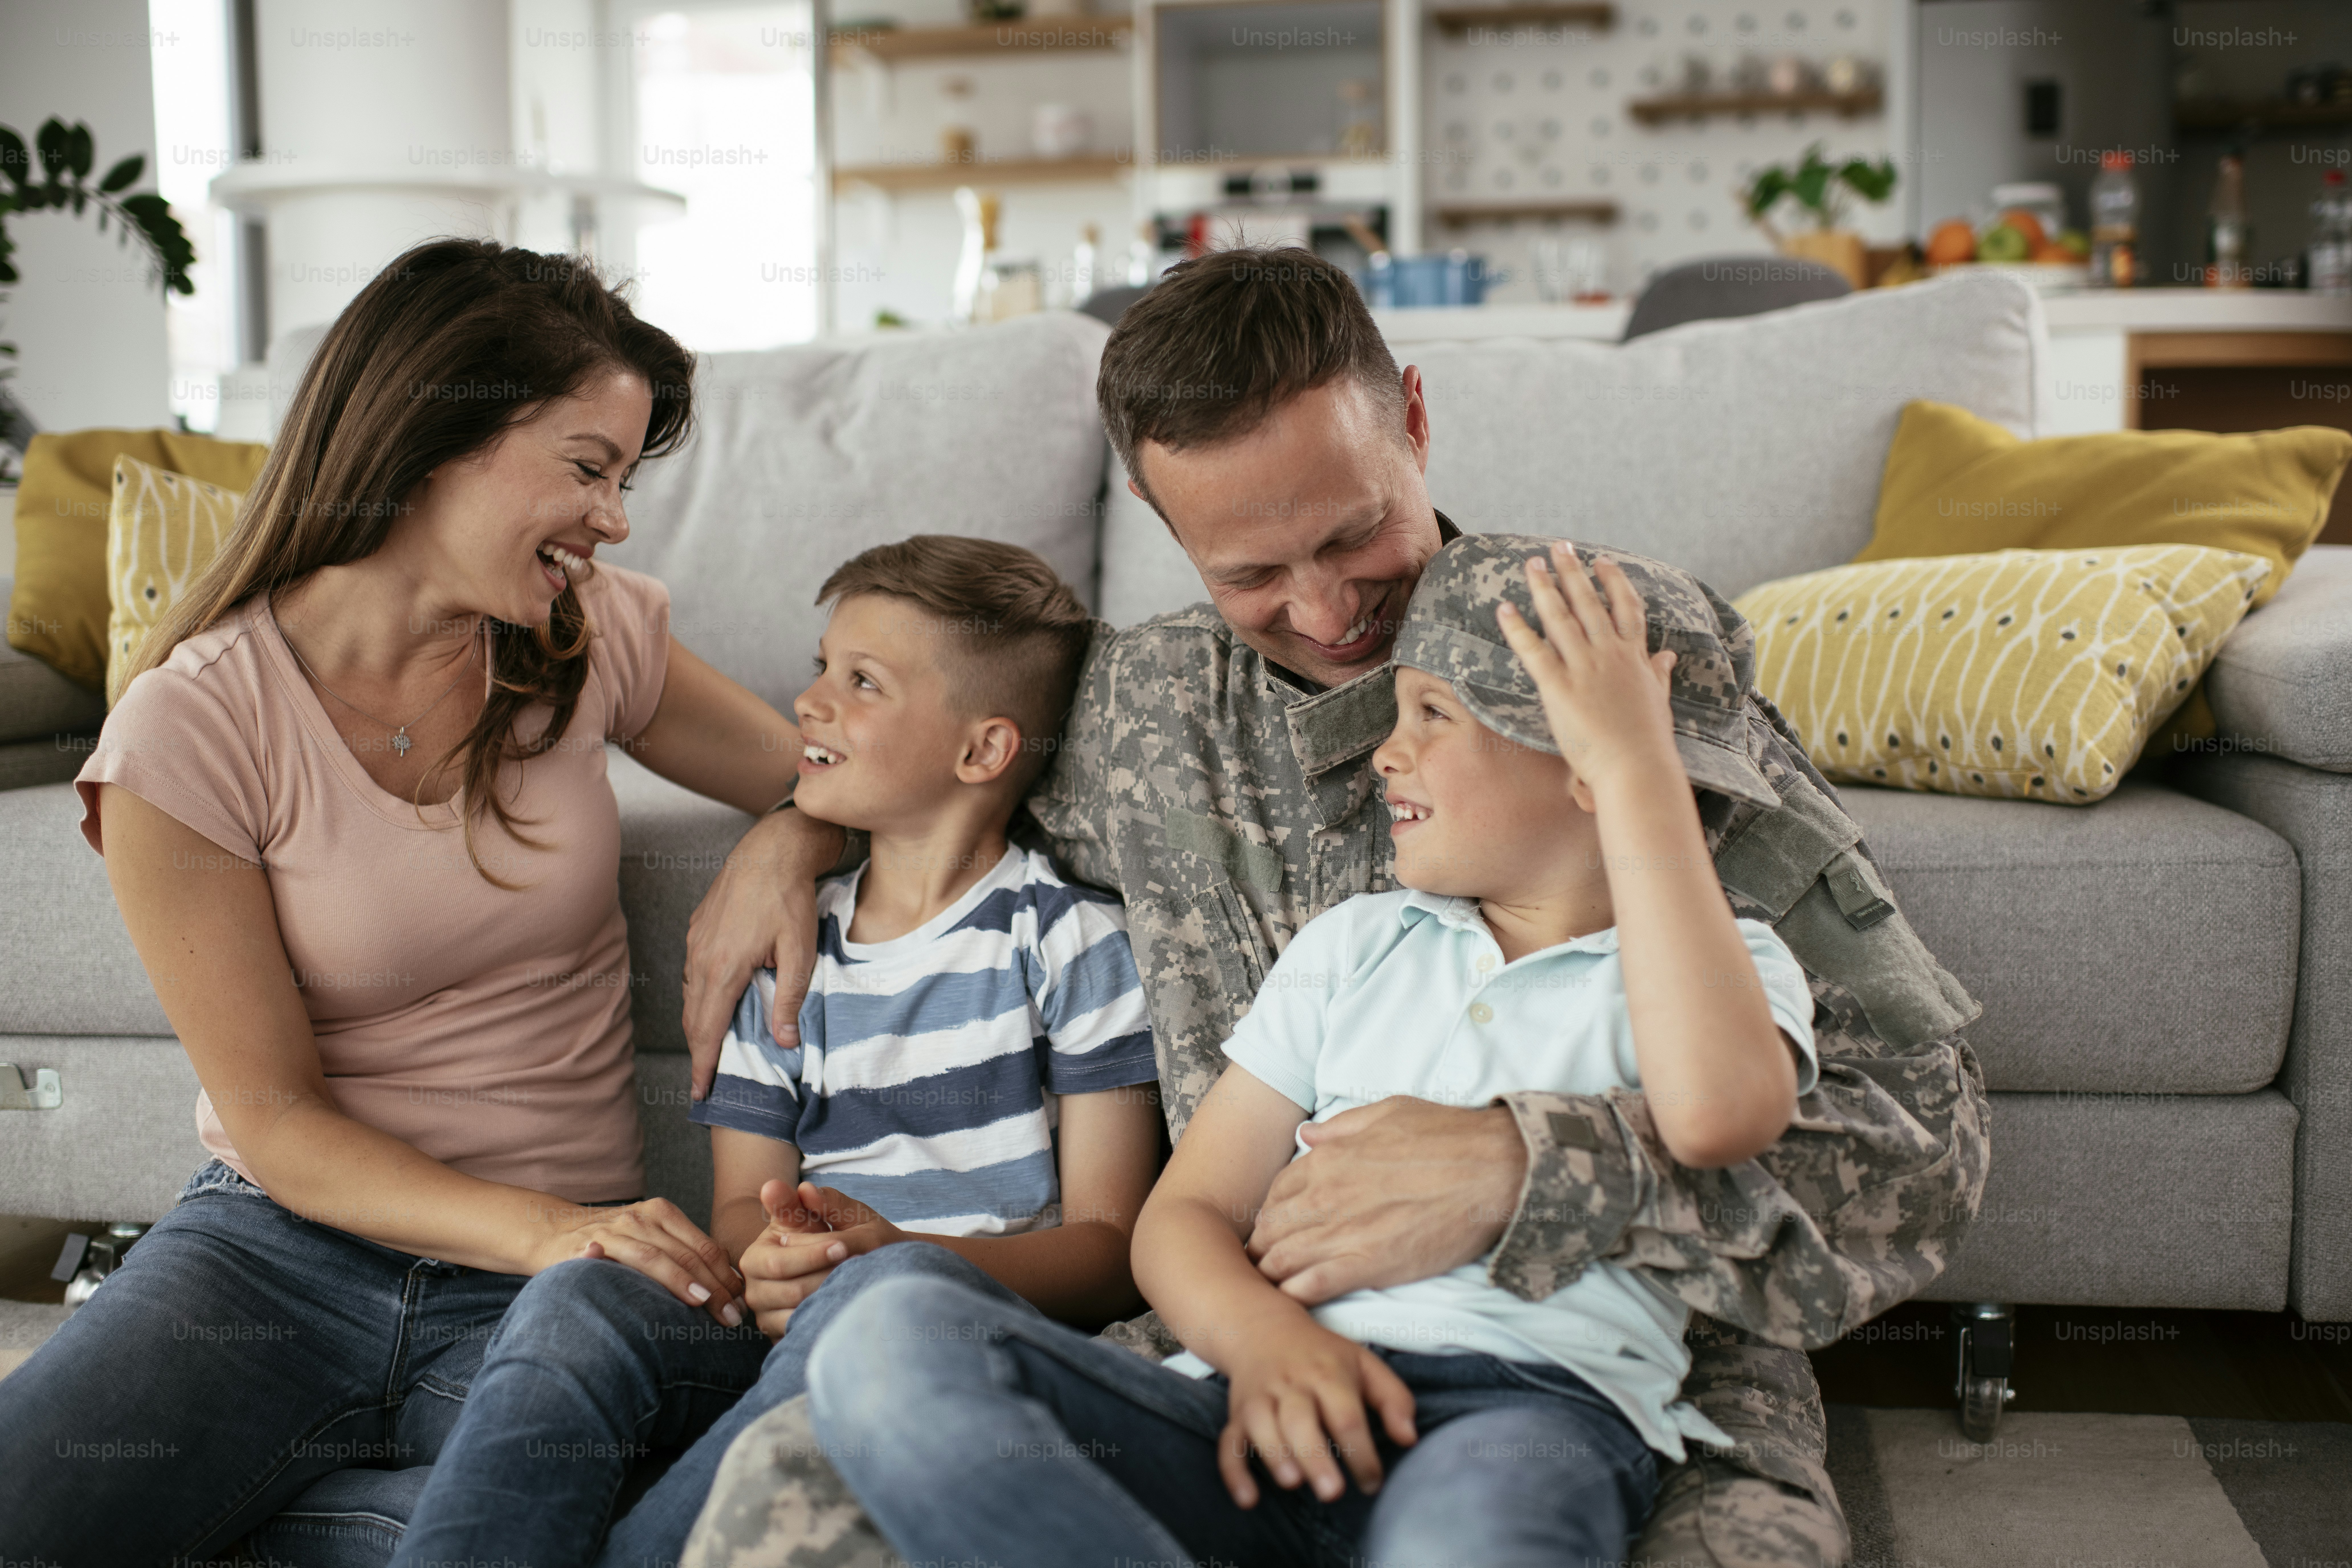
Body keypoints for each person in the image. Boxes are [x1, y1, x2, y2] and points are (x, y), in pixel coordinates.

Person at [679, 246, 1990, 1567]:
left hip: (1612, 1382)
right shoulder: (1147, 713)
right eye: (1252, 571)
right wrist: (797, 830)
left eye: (1355, 531)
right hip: (1239, 1352)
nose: (1326, 609)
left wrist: (1530, 1164)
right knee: (801, 1492)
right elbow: (936, 747)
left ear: (1413, 419)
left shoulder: (1599, 676)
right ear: (1155, 514)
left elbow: (1925, 1141)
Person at [0, 238, 814, 1566]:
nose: (614, 518)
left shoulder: (585, 634)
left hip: (543, 1303)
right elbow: (276, 1122)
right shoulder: (192, 726)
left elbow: (831, 780)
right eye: (589, 468)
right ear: (440, 432)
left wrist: (784, 844)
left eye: (623, 479)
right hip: (272, 1260)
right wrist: (558, 1229)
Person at [805, 531, 1828, 1566]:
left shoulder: (1725, 962)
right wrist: (1267, 1346)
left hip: (1522, 1414)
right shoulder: (1359, 943)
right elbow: (1187, 1216)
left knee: (1462, 1544)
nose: (1387, 751)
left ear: (1583, 763)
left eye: (1434, 714)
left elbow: (1716, 1114)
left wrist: (1637, 770)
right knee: (886, 1345)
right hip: (1258, 1399)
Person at [393, 537, 1166, 1566]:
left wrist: (901, 1264)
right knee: (580, 1294)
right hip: (781, 1335)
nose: (808, 703)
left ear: (982, 752)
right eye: (819, 667)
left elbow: (1115, 1252)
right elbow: (738, 1214)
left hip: (954, 1350)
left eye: (862, 683)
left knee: (872, 1298)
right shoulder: (788, 954)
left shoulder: (1069, 943)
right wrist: (776, 1261)